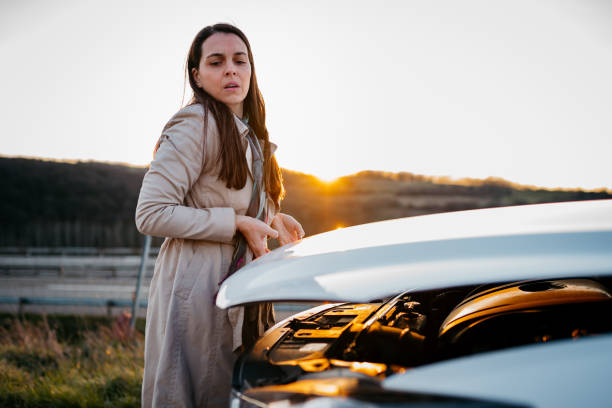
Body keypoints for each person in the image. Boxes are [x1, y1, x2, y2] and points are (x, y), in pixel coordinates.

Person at [135, 23, 304, 408]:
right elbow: (150, 213)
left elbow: (230, 198)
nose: (231, 70)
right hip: (199, 287)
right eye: (216, 62)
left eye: (239, 60)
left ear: (251, 69)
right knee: (198, 392)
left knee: (232, 391)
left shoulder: (251, 132)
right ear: (197, 75)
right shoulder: (194, 124)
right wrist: (235, 223)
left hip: (241, 284)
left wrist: (271, 218)